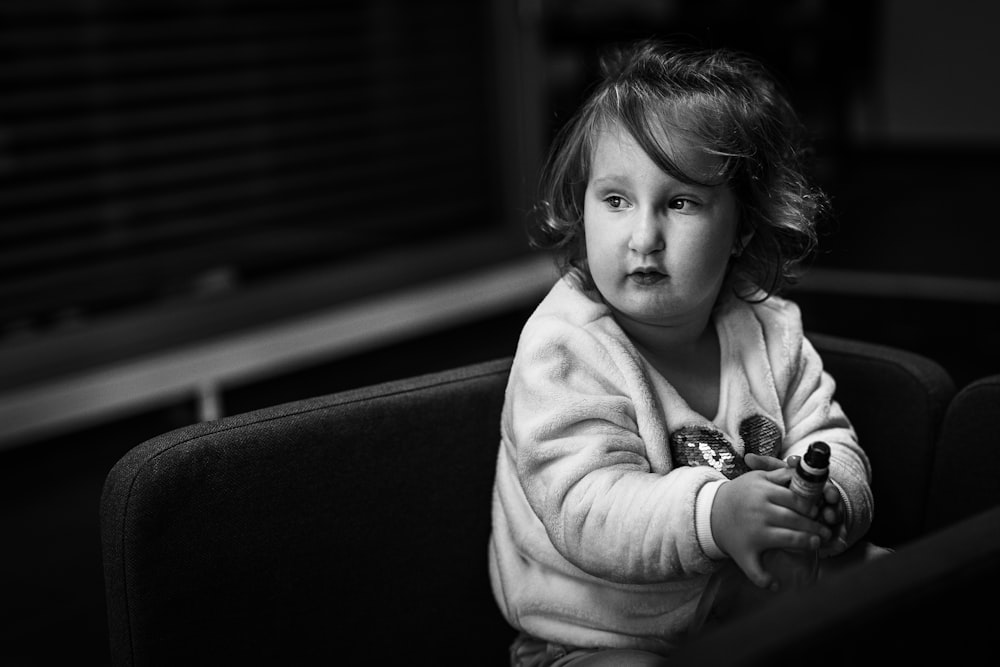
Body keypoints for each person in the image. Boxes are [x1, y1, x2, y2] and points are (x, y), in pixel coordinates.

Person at [488, 39, 881, 666]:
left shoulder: (770, 331)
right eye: (615, 200)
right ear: (582, 206)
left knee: (896, 590)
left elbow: (827, 435)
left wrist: (829, 496)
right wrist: (715, 512)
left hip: (748, 606)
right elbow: (586, 510)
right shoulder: (563, 348)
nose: (643, 237)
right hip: (602, 635)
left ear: (742, 228)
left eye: (680, 202)